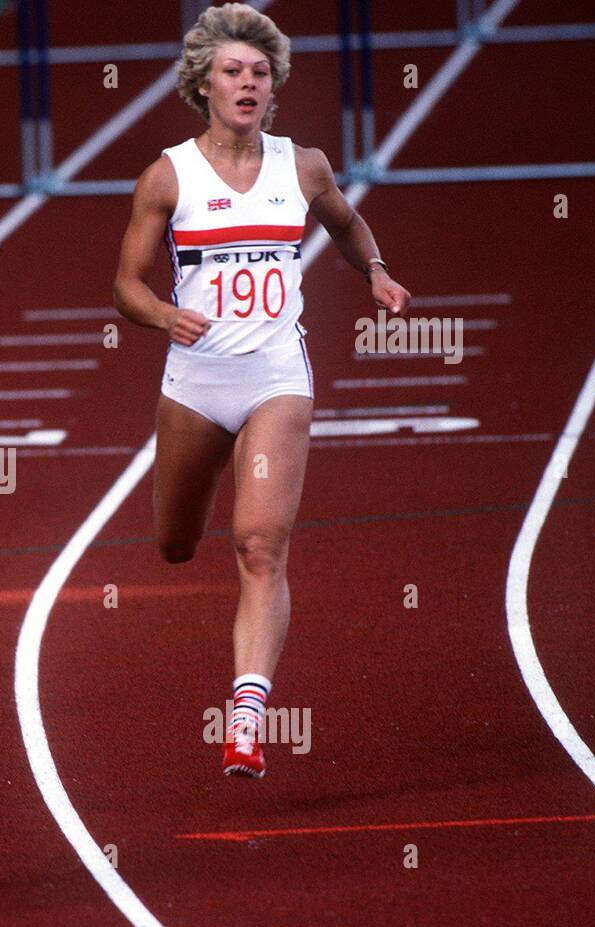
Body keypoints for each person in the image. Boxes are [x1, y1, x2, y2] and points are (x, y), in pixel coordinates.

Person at [112, 3, 410, 779]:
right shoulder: (168, 176)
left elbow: (345, 223)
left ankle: (246, 714)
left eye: (258, 73)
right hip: (196, 383)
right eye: (232, 73)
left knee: (259, 545)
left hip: (277, 376)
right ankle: (194, 519)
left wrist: (374, 270)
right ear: (203, 86)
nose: (247, 84)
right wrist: (163, 314)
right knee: (177, 543)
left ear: (273, 85)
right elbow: (124, 286)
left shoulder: (301, 165)